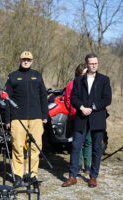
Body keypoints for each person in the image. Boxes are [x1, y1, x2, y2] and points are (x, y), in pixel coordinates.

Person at [62, 53, 112, 188]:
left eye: (96, 63)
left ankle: (93, 176)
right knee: (75, 146)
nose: (94, 65)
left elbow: (107, 99)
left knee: (96, 148)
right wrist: (82, 107)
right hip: (81, 117)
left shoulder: (104, 79)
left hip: (97, 118)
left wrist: (94, 107)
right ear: (87, 64)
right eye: (91, 63)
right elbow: (74, 98)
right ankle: (72, 176)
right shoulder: (78, 81)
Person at [5, 51, 48, 187]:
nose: (26, 61)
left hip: (36, 117)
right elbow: (7, 99)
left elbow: (43, 96)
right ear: (20, 60)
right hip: (17, 118)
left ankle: (31, 175)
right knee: (17, 146)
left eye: (28, 60)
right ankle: (18, 175)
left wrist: (45, 115)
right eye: (24, 59)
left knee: (35, 147)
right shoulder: (12, 77)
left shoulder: (37, 75)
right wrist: (8, 119)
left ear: (32, 61)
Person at [64, 63, 92, 173]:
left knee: (88, 141)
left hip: (89, 117)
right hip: (76, 116)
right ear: (79, 73)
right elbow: (68, 100)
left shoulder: (91, 83)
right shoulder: (71, 84)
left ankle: (87, 165)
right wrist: (75, 110)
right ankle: (78, 164)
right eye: (84, 73)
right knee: (78, 142)